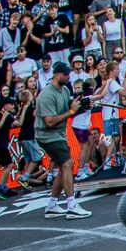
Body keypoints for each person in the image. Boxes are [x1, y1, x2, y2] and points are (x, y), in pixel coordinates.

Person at [37, 63, 86, 219]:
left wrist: (81, 107)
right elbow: (50, 122)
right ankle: (71, 206)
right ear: (57, 75)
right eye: (65, 74)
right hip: (47, 135)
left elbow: (67, 113)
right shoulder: (46, 95)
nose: (68, 77)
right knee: (67, 164)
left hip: (57, 134)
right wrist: (71, 111)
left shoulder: (64, 90)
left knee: (64, 166)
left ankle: (52, 205)